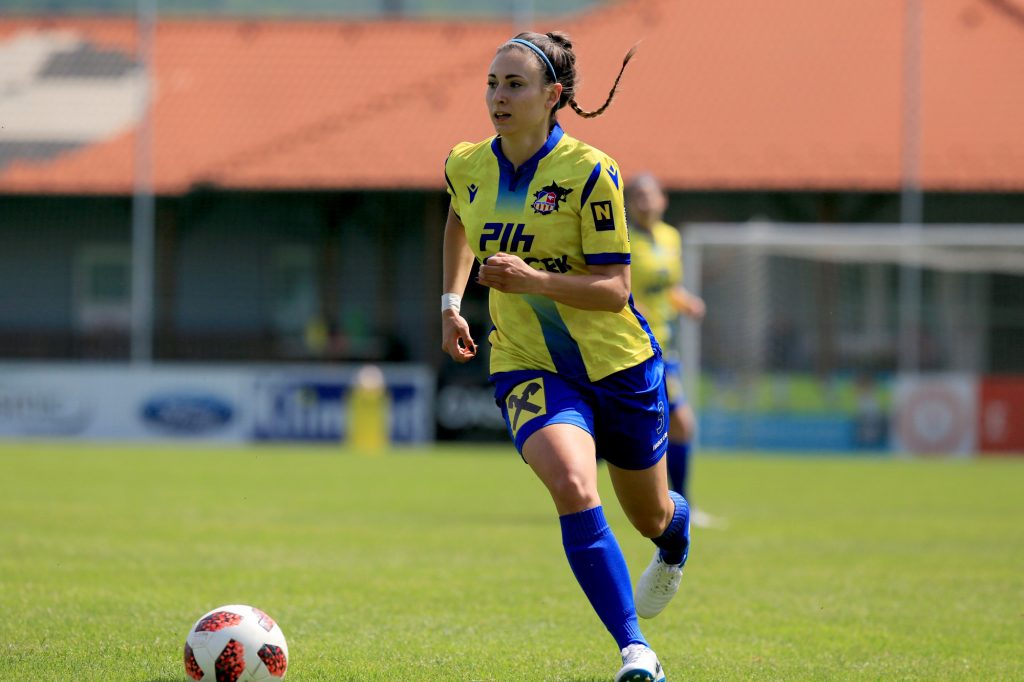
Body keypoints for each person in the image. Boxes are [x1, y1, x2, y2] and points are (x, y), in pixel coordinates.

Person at [440, 31, 690, 682]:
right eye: (492, 82)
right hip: (526, 362)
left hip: (619, 366)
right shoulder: (467, 163)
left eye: (514, 84)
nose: (498, 96)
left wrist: (535, 280)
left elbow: (615, 291)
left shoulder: (590, 172)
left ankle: (675, 537)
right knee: (574, 484)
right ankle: (636, 651)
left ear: (554, 96)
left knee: (650, 515)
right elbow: (458, 218)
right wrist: (451, 302)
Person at [625, 174, 720, 528]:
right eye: (636, 196)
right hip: (636, 344)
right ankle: (679, 505)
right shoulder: (622, 239)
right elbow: (619, 288)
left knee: (671, 425)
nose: (644, 202)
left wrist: (686, 302)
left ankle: (675, 502)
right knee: (679, 424)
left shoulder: (670, 237)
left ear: (663, 200)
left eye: (649, 195)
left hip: (665, 343)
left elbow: (667, 288)